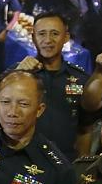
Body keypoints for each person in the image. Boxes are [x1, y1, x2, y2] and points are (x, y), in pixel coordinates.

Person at [6, 12, 92, 160]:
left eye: (54, 33)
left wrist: (81, 167)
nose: (48, 40)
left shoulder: (80, 78)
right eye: (41, 34)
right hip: (23, 160)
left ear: (66, 37)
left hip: (66, 163)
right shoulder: (16, 72)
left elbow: (85, 129)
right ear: (33, 38)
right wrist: (17, 74)